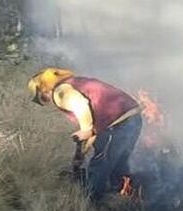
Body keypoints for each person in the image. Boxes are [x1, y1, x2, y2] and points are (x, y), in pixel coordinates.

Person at [28, 67, 142, 201]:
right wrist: (84, 148)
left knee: (100, 163)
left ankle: (92, 203)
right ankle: (123, 195)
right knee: (118, 161)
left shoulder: (60, 92)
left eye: (42, 97)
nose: (46, 100)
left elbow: (82, 106)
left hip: (117, 123)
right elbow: (93, 121)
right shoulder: (75, 82)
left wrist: (86, 131)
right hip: (133, 117)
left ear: (43, 89)